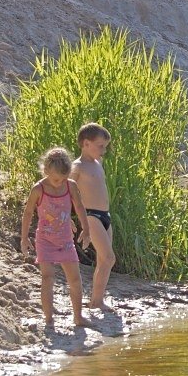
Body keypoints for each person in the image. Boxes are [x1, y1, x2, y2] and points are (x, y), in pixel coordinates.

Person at [20, 147, 93, 333]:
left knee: (75, 279)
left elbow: (79, 206)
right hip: (44, 240)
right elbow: (28, 213)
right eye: (55, 179)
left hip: (66, 240)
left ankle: (78, 317)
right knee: (47, 278)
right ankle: (49, 319)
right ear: (46, 171)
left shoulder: (70, 186)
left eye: (62, 178)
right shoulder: (38, 189)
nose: (59, 182)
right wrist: (24, 238)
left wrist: (86, 228)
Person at [72, 122, 116, 313]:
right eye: (100, 146)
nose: (103, 150)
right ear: (86, 143)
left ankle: (96, 300)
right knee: (109, 258)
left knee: (103, 260)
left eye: (105, 146)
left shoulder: (98, 164)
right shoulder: (77, 166)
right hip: (90, 215)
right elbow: (68, 192)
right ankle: (96, 301)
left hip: (105, 215)